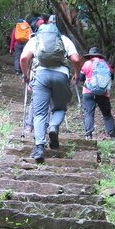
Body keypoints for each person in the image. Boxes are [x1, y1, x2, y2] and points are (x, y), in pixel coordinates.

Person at [20, 22, 81, 162]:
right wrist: (77, 74)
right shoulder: (64, 39)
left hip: (41, 76)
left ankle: (39, 148)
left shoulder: (35, 40)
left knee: (39, 112)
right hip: (61, 76)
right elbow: (76, 59)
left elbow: (23, 58)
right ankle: (53, 126)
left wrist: (25, 76)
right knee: (60, 108)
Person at [79, 47, 115, 140]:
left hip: (88, 91)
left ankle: (88, 134)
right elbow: (111, 77)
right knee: (107, 114)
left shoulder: (87, 64)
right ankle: (112, 135)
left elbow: (81, 78)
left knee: (89, 113)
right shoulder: (105, 64)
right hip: (103, 93)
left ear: (90, 55)